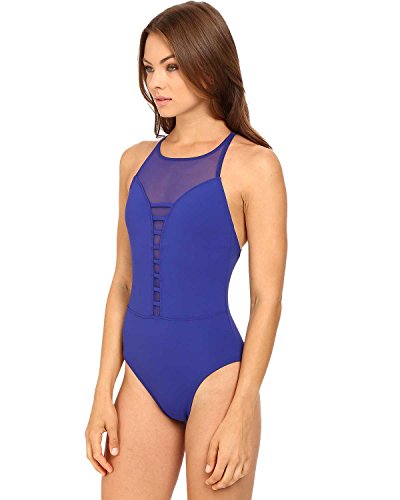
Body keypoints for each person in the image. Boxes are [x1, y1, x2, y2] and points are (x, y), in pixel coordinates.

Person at [85, 2, 287, 498]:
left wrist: (243, 406)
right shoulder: (134, 162)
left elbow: (266, 298)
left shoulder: (254, 166)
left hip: (216, 378)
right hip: (141, 378)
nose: (156, 82)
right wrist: (102, 392)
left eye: (172, 67)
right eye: (149, 68)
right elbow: (122, 283)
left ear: (209, 64)